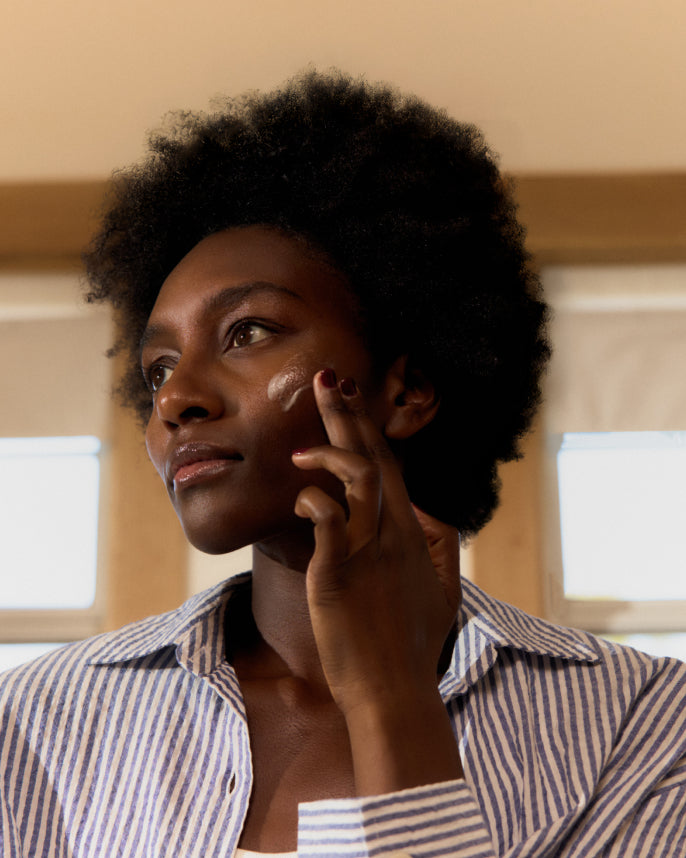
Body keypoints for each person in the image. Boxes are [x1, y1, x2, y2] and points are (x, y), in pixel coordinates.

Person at [1, 70, 685, 858]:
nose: (176, 399)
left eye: (249, 331)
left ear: (408, 389)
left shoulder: (642, 729)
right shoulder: (33, 728)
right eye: (157, 369)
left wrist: (393, 701)